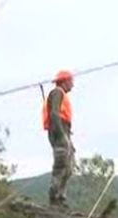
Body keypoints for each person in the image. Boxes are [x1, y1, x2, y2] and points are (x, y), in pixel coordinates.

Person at [42, 70, 75, 208]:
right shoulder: (57, 92)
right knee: (61, 166)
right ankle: (55, 198)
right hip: (59, 131)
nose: (72, 85)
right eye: (71, 81)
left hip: (64, 131)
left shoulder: (60, 94)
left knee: (69, 166)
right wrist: (61, 135)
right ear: (65, 81)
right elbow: (54, 114)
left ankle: (60, 197)